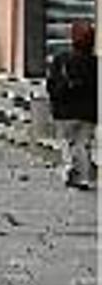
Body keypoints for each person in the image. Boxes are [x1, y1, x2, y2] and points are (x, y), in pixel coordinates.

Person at [47, 20, 98, 190]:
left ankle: (74, 173)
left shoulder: (61, 59)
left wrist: (54, 101)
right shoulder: (95, 62)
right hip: (89, 112)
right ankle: (82, 176)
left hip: (65, 111)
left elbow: (51, 84)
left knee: (69, 144)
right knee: (83, 144)